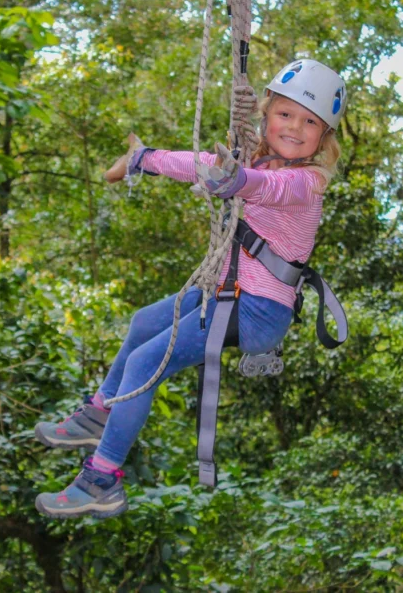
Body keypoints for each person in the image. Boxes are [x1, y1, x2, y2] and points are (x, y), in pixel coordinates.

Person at [34, 59, 347, 519]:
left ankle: (101, 480)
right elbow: (201, 163)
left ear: (324, 138)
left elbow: (265, 188)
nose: (295, 128)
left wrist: (235, 180)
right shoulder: (257, 160)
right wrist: (147, 160)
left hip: (257, 310)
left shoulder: (305, 182)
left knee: (145, 362)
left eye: (310, 122)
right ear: (266, 114)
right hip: (228, 295)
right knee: (143, 324)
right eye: (285, 114)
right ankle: (98, 412)